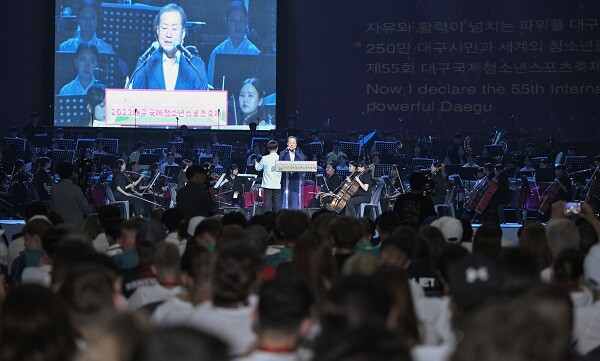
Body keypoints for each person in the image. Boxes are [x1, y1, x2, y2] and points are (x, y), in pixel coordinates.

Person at [131, 4, 208, 90]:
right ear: (158, 31)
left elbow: (204, 101)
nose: (168, 34)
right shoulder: (146, 63)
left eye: (174, 29)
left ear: (182, 33)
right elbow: (135, 99)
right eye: (164, 28)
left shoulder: (195, 65)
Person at [207, 1, 260, 86]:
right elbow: (210, 84)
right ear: (226, 22)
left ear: (246, 22)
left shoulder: (254, 53)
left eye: (241, 20)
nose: (237, 25)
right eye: (232, 20)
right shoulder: (217, 52)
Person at [50, 162, 93, 231]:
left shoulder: (53, 189)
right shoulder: (75, 189)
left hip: (58, 227)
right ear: (72, 173)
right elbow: (86, 208)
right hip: (75, 227)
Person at [279, 136, 307, 209]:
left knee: (295, 200)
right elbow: (280, 161)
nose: (292, 144)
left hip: (296, 179)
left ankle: (296, 214)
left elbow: (302, 160)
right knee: (285, 199)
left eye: (293, 143)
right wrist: (285, 151)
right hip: (285, 180)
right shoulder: (283, 153)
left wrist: (296, 152)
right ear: (287, 144)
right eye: (290, 143)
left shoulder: (299, 152)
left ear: (296, 144)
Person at [255, 140, 282, 212]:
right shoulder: (280, 158)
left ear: (268, 149)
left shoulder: (264, 158)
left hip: (267, 184)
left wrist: (255, 162)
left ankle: (266, 217)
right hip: (277, 184)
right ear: (277, 148)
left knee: (267, 202)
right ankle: (277, 218)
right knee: (277, 203)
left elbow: (258, 168)